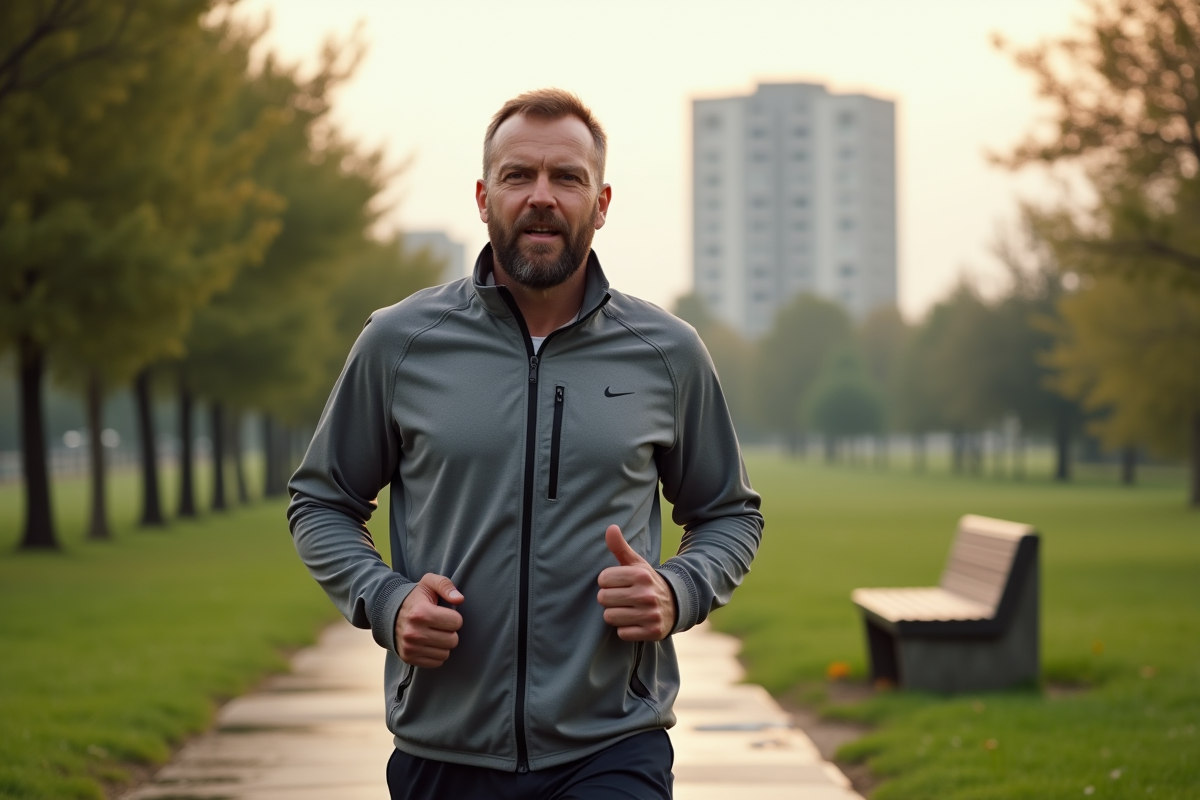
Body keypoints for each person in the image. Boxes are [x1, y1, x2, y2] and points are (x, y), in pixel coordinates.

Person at [287, 88, 763, 800]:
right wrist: (387, 601)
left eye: (567, 177)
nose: (542, 196)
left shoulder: (667, 354)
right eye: (518, 176)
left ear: (601, 204)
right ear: (484, 198)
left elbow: (728, 513)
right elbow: (321, 501)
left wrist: (677, 589)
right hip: (444, 748)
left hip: (613, 746)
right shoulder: (399, 342)